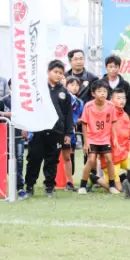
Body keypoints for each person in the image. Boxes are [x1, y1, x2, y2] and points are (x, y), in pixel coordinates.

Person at [23, 60, 74, 198]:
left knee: (52, 160)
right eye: (55, 72)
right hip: (38, 130)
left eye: (60, 73)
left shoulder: (64, 92)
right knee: (34, 158)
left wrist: (68, 133)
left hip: (56, 131)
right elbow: (29, 109)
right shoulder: (38, 89)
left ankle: (50, 186)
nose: (58, 75)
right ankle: (29, 186)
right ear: (48, 72)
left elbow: (68, 114)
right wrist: (25, 126)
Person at [77, 80, 119, 194]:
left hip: (105, 138)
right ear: (93, 93)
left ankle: (112, 186)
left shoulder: (110, 106)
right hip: (92, 138)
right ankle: (82, 186)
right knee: (91, 160)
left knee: (109, 159)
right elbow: (84, 124)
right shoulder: (88, 106)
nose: (103, 93)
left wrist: (114, 137)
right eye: (99, 91)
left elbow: (113, 122)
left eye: (105, 91)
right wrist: (86, 142)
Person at [98, 88, 130, 193]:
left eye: (124, 98)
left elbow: (127, 137)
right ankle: (95, 178)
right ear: (111, 99)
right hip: (111, 156)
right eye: (118, 98)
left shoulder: (125, 115)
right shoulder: (106, 114)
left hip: (124, 154)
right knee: (118, 189)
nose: (122, 101)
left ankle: (120, 178)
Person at [60, 76, 85, 191]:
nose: (75, 87)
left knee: (68, 156)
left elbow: (79, 117)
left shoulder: (79, 102)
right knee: (53, 156)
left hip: (70, 132)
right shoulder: (61, 97)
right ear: (66, 86)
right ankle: (50, 182)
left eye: (77, 85)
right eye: (72, 84)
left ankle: (69, 182)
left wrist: (76, 121)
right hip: (58, 130)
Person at [104, 55, 130, 128]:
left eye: (116, 67)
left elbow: (129, 107)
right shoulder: (101, 84)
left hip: (121, 123)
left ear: (119, 68)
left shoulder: (125, 85)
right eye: (111, 67)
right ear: (106, 68)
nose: (113, 69)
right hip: (104, 121)